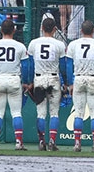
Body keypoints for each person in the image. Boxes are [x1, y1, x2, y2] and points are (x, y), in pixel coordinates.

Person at [0, 18, 28, 151]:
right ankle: (18, 142)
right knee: (16, 113)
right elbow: (25, 66)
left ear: (1, 30)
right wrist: (25, 82)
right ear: (14, 30)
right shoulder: (20, 46)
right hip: (14, 79)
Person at [65, 20, 94, 152]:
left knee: (79, 113)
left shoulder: (73, 44)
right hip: (93, 78)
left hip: (78, 78)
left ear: (81, 31)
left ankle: (77, 143)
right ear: (93, 31)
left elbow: (68, 65)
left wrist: (69, 83)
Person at [27, 17, 66, 151]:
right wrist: (66, 82)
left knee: (41, 113)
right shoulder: (59, 44)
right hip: (54, 78)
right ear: (55, 29)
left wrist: (29, 81)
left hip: (39, 78)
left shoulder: (33, 43)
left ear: (42, 28)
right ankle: (52, 141)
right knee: (54, 113)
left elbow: (30, 65)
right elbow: (63, 66)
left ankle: (42, 141)